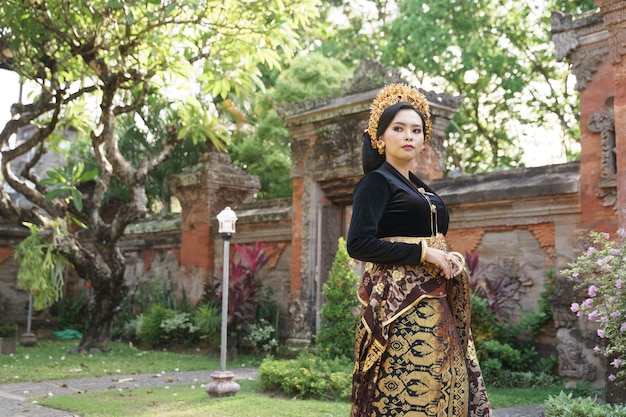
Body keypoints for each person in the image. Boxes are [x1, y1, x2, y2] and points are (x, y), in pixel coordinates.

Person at [347, 83, 493, 417]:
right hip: (401, 304)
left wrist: (448, 255)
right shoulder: (375, 183)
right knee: (411, 389)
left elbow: (431, 234)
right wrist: (424, 254)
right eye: (398, 129)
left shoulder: (420, 188)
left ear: (424, 140)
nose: (408, 135)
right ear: (379, 138)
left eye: (416, 130)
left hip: (437, 299)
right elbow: (359, 243)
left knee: (445, 383)